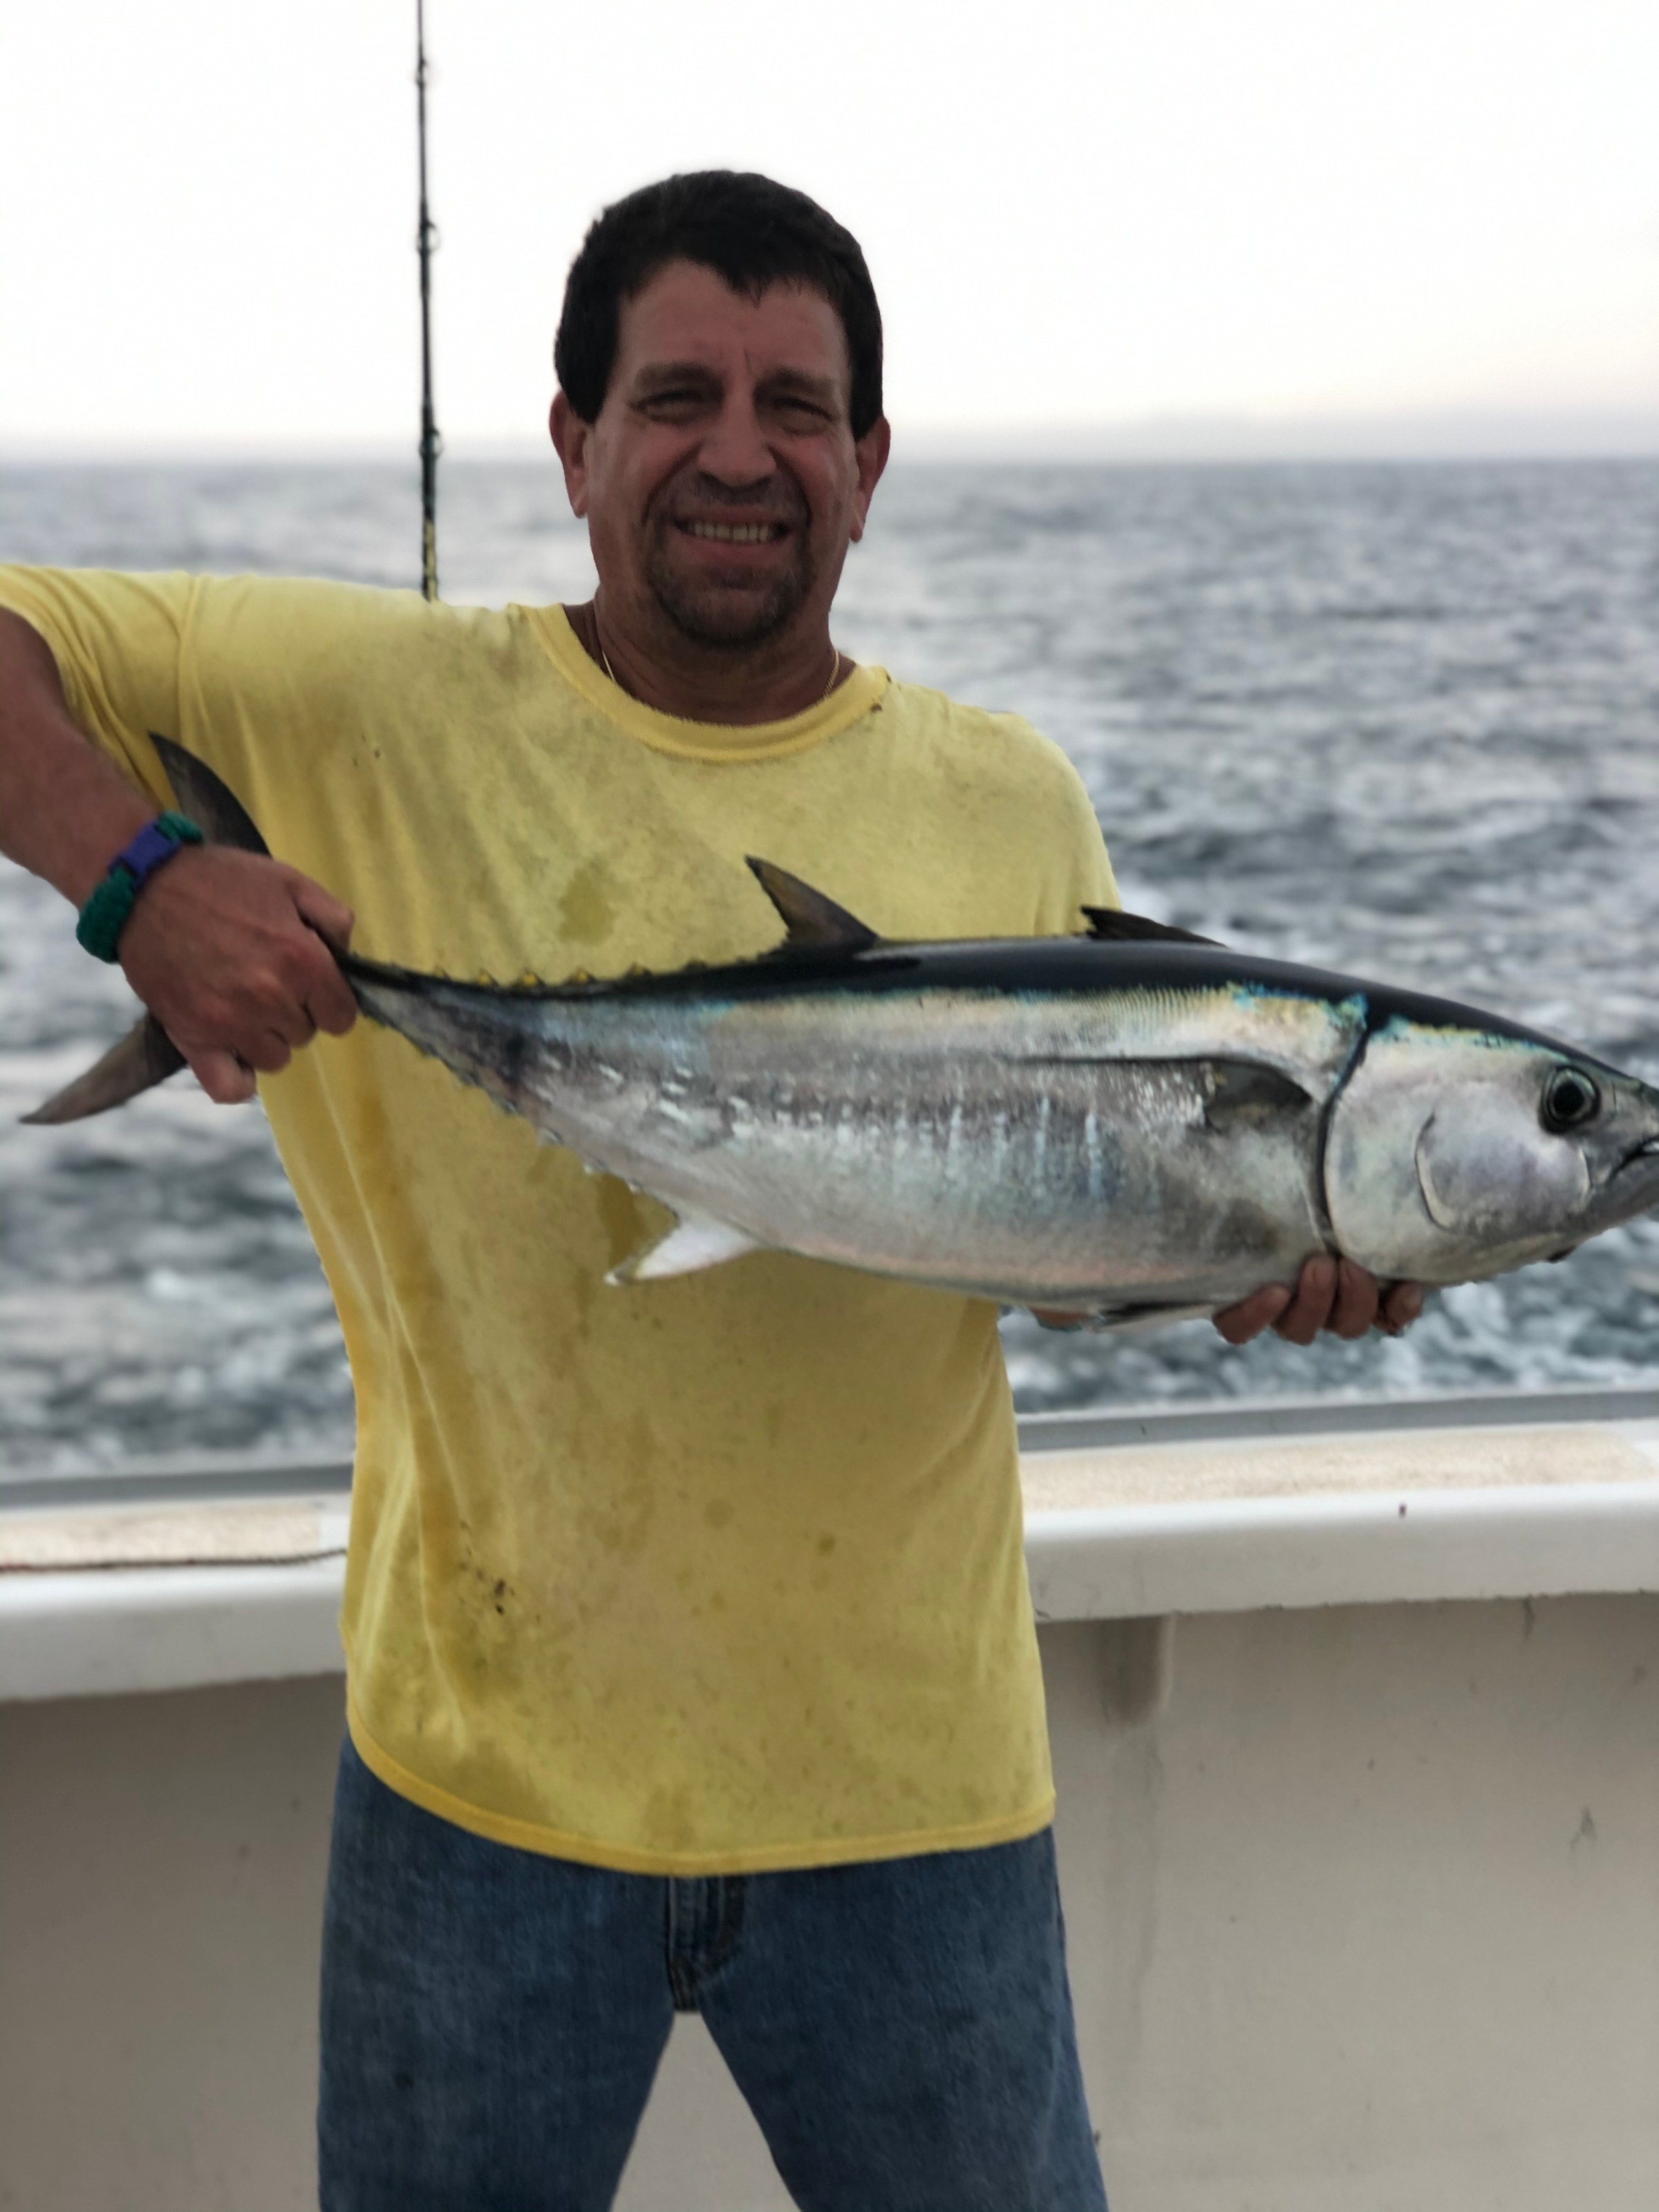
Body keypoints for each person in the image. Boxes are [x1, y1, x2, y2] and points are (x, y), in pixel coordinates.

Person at [0, 170, 1419, 2211]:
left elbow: (1042, 1225)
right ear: (572, 440)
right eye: (675, 396)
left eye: (797, 405)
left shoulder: (1007, 799)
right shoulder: (361, 706)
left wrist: (1256, 1251)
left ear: (871, 462)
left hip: (917, 1796)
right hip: (479, 1788)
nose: (739, 452)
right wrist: (140, 887)